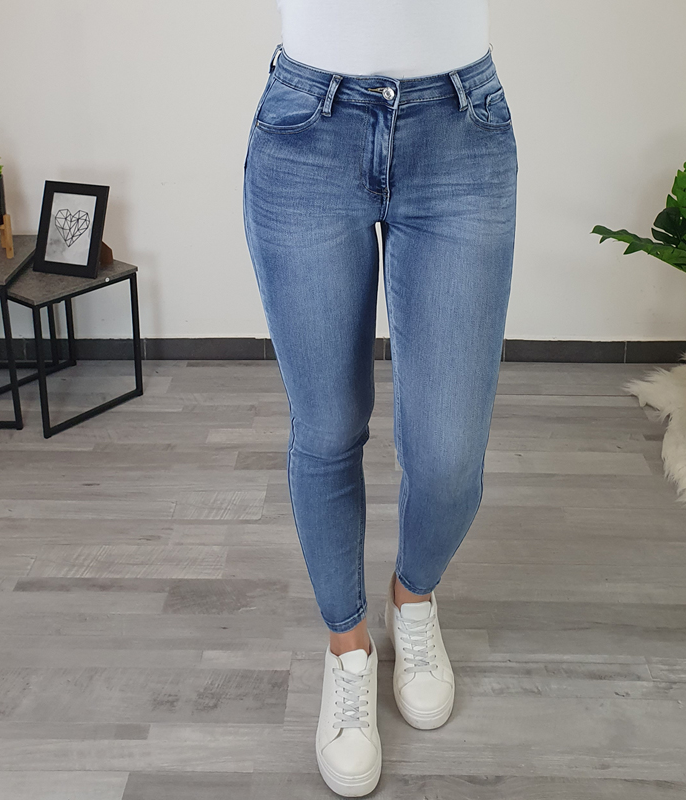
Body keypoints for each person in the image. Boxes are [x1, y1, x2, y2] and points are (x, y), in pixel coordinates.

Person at [242, 1, 517, 795]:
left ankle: (413, 598)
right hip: (308, 127)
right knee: (327, 427)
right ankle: (349, 649)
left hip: (460, 125)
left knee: (448, 456)